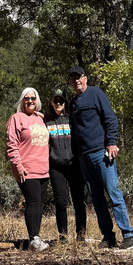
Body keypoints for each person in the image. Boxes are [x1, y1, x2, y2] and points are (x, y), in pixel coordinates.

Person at [67, 65, 133, 250]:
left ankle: (129, 235)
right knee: (96, 198)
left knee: (113, 192)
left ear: (85, 78)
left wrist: (111, 142)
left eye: (79, 77)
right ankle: (108, 237)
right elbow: (75, 131)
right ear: (70, 83)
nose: (76, 81)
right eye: (73, 79)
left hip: (101, 153)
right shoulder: (73, 103)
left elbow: (110, 119)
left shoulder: (96, 94)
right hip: (84, 157)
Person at [6, 86, 50, 251]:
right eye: (27, 98)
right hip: (27, 169)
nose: (30, 101)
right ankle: (33, 240)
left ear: (37, 101)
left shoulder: (41, 118)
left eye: (33, 98)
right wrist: (18, 166)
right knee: (32, 202)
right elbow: (12, 145)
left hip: (43, 169)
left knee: (39, 204)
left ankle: (36, 237)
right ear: (22, 101)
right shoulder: (16, 118)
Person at [45, 87, 87, 241]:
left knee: (78, 201)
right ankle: (63, 236)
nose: (58, 103)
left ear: (65, 102)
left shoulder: (71, 120)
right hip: (56, 167)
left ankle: (81, 235)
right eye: (55, 100)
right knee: (61, 202)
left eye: (61, 101)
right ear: (51, 102)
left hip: (74, 165)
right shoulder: (46, 121)